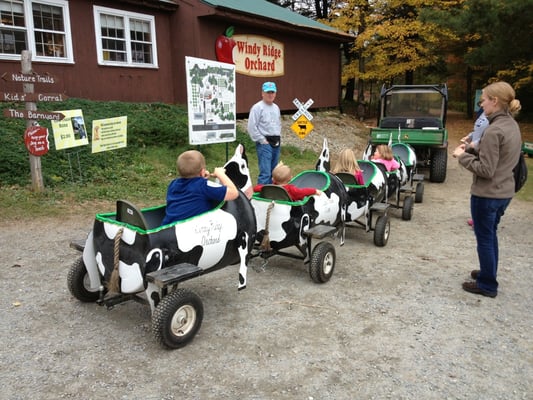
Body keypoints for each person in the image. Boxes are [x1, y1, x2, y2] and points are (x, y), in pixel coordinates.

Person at [452, 81, 522, 298]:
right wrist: (474, 147)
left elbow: (486, 169)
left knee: (484, 237)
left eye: (483, 99)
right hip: (504, 192)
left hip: (488, 194)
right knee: (490, 235)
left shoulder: (494, 130)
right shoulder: (510, 125)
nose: (480, 103)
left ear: (495, 101)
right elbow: (500, 156)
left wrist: (462, 156)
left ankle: (487, 284)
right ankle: (487, 273)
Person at [162, 150, 239, 225]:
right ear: (202, 172)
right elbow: (234, 193)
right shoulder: (203, 186)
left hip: (168, 229)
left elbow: (193, 189)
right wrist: (220, 174)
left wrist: (202, 178)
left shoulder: (173, 184)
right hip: (189, 232)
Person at [247, 81, 282, 184]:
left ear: (275, 93)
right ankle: (260, 196)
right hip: (264, 143)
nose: (270, 95)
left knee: (274, 172)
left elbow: (278, 124)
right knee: (265, 173)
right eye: (268, 92)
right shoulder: (257, 107)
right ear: (262, 93)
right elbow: (251, 126)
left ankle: (271, 193)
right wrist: (261, 140)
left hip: (276, 141)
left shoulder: (276, 108)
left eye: (272, 92)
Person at [461, 108, 490, 227]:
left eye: (484, 100)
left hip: (482, 151)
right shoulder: (485, 113)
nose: (481, 103)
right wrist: (469, 137)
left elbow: (488, 136)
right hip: (477, 151)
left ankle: (483, 220)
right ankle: (478, 217)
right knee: (478, 181)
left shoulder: (494, 120)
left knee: (485, 182)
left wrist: (475, 143)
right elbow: (478, 129)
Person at [253, 163, 321, 201]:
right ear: (290, 178)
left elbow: (256, 188)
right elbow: (302, 192)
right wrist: (314, 191)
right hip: (287, 211)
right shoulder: (291, 189)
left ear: (273, 179)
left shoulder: (268, 188)